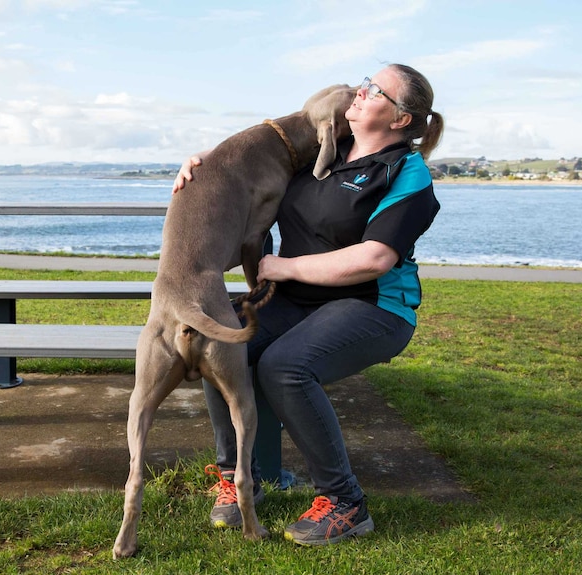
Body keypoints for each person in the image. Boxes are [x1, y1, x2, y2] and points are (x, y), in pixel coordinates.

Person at [172, 64, 444, 545]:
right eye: (365, 80)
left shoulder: (406, 172)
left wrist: (285, 268)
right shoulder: (325, 147)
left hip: (372, 305)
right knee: (217, 344)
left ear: (401, 119)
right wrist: (203, 162)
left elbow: (375, 257)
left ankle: (345, 502)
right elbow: (256, 148)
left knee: (284, 367)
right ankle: (237, 480)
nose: (361, 92)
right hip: (297, 301)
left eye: (376, 90)